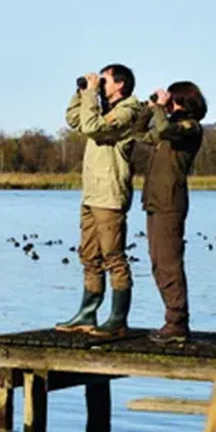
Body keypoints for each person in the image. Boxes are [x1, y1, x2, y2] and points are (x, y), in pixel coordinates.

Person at [55, 64, 142, 337]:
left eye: (104, 81)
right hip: (92, 193)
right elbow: (74, 120)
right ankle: (87, 313)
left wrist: (92, 95)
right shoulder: (100, 107)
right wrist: (82, 92)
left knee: (113, 258)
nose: (99, 85)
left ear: (120, 84)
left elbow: (93, 127)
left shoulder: (129, 111)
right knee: (89, 256)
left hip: (110, 195)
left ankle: (118, 319)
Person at [138, 81, 206, 343]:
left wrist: (160, 110)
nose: (168, 103)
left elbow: (166, 129)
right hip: (156, 201)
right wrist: (150, 109)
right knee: (158, 262)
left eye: (172, 98)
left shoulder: (190, 127)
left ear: (183, 101)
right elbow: (138, 134)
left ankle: (177, 322)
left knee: (169, 262)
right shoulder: (169, 128)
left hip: (170, 202)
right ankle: (173, 320)